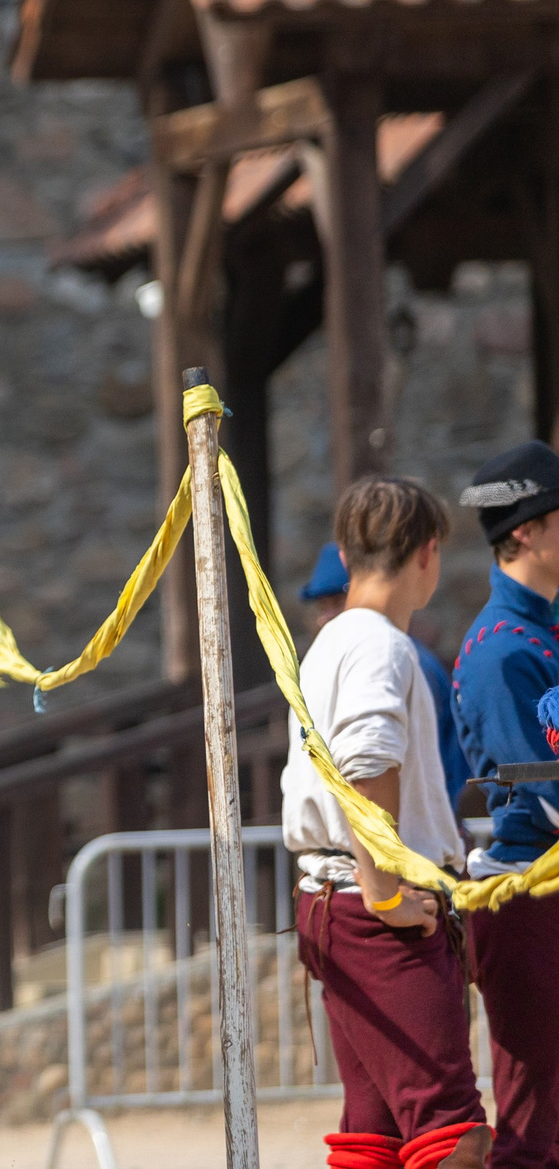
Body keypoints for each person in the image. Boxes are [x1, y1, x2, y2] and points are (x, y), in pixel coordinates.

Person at [282, 477, 487, 1169]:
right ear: (428, 553)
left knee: (374, 1135)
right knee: (452, 1133)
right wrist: (388, 891)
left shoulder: (329, 642)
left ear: (345, 552)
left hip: (333, 901)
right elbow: (368, 759)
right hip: (372, 909)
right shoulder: (381, 645)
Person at [452, 441, 559, 1169]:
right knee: (532, 1130)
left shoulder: (539, 634)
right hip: (524, 896)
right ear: (526, 530)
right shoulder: (501, 650)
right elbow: (543, 792)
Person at [304, 541, 470, 810]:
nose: (325, 617)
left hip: (401, 838)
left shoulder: (385, 654)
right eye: (321, 606)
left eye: (336, 602)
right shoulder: (331, 657)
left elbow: (370, 770)